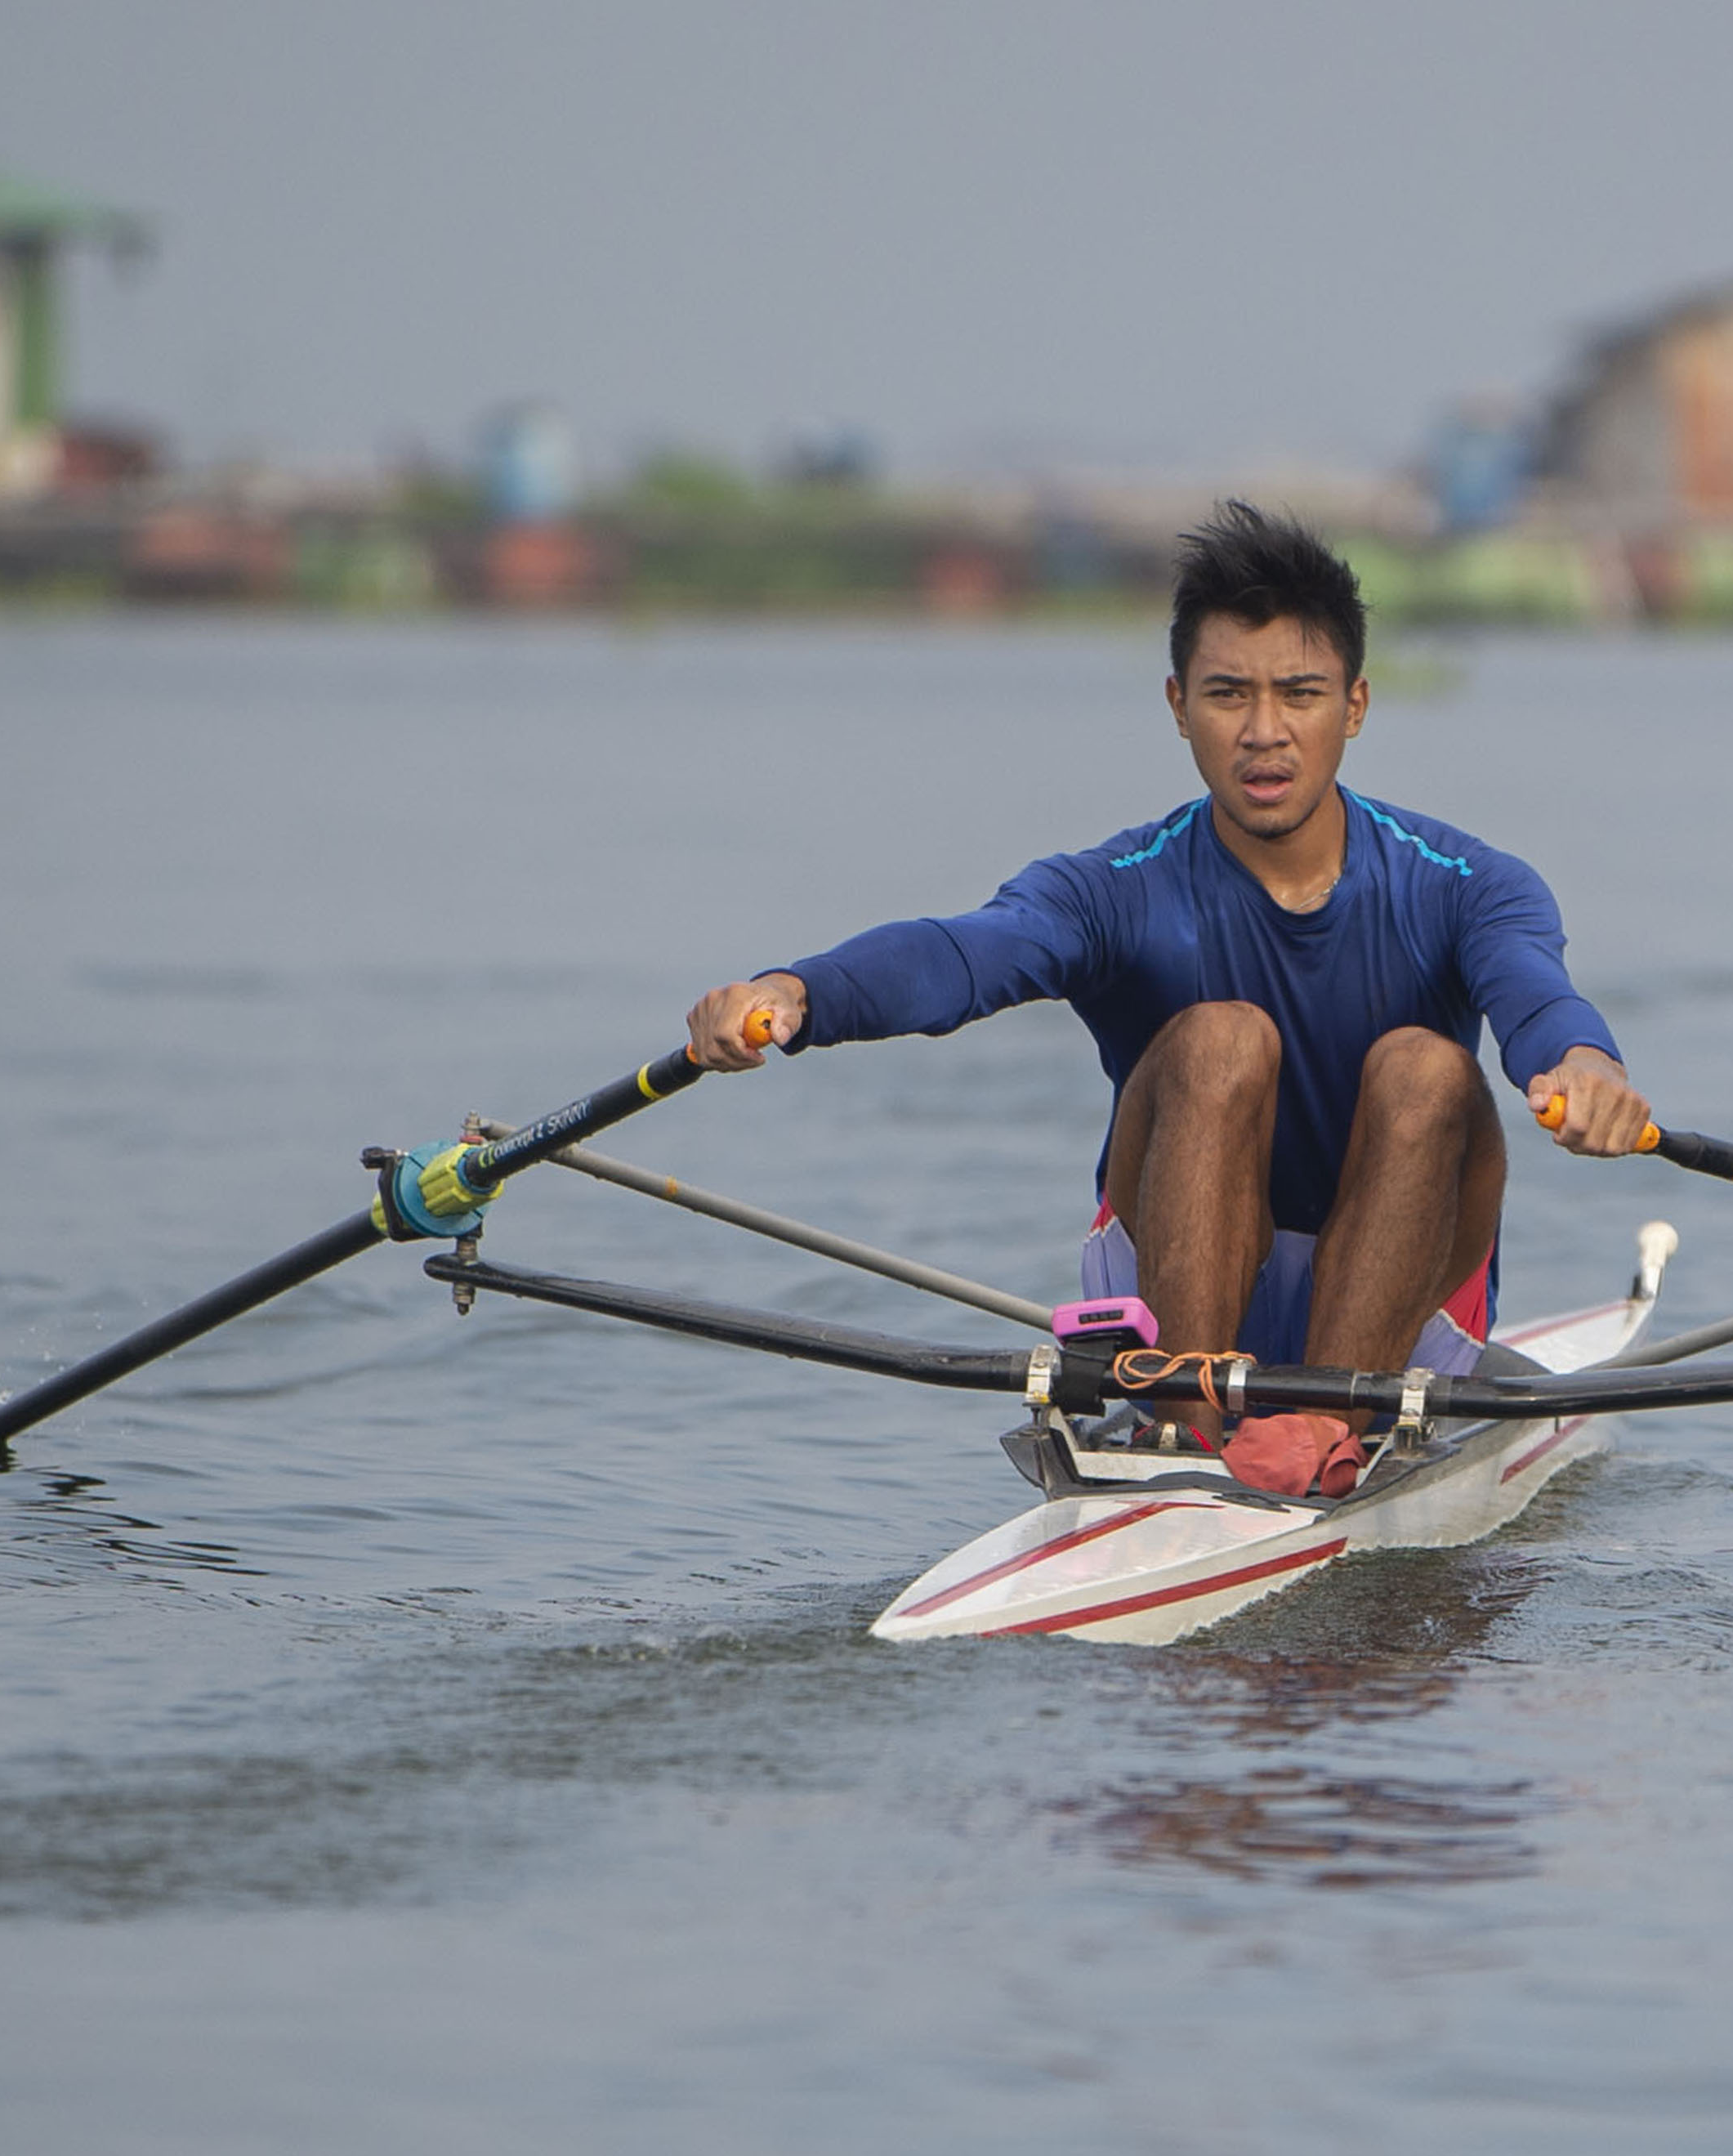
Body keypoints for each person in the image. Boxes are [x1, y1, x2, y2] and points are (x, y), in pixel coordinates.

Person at [681, 503, 1649, 1501]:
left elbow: (1535, 995)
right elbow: (963, 956)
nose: (1264, 733)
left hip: (1401, 1295)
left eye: (1299, 694)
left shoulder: (1467, 883)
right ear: (1179, 704)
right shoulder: (1119, 886)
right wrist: (796, 990)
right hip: (1171, 1296)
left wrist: (1585, 1067)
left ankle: (1323, 1421)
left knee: (1427, 1069)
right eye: (1228, 694)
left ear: (1355, 706)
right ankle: (1185, 1431)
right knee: (1218, 1039)